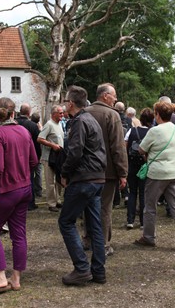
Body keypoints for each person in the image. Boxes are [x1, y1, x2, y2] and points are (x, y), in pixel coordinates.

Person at [0, 98, 37, 295]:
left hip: (6, 189)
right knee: (19, 233)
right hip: (24, 188)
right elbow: (34, 160)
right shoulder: (24, 131)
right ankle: (16, 277)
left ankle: (0, 277)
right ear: (14, 113)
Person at [58, 85, 107, 286]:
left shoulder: (79, 122)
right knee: (95, 226)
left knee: (66, 222)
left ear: (70, 103)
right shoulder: (90, 119)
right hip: (96, 179)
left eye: (65, 101)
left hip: (84, 179)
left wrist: (64, 172)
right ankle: (98, 271)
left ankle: (81, 268)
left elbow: (76, 151)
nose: (63, 105)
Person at [134, 101, 175, 251]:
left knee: (150, 205)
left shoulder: (155, 131)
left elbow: (141, 149)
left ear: (157, 114)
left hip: (158, 173)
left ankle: (148, 237)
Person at [85, 83, 128, 256]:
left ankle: (88, 238)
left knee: (88, 206)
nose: (115, 99)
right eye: (113, 95)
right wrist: (122, 172)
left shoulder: (84, 113)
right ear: (104, 96)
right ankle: (102, 244)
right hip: (106, 171)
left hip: (86, 171)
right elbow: (118, 147)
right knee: (104, 208)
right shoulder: (112, 115)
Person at [124, 108, 154, 229]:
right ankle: (142, 221)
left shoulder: (131, 131)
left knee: (132, 192)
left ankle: (130, 220)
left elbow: (125, 146)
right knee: (143, 193)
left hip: (132, 165)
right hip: (145, 166)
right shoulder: (152, 132)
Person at [37, 105, 65, 212]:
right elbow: (39, 138)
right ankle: (51, 203)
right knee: (50, 181)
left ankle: (57, 200)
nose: (62, 115)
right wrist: (52, 145)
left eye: (62, 113)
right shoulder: (49, 124)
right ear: (54, 114)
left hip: (58, 158)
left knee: (59, 180)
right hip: (49, 157)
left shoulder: (59, 124)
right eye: (60, 113)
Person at [17, 103, 41, 211]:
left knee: (17, 180)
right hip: (29, 157)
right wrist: (37, 157)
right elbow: (37, 144)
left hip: (16, 157)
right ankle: (30, 203)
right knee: (29, 180)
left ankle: (19, 202)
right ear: (28, 113)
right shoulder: (32, 126)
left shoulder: (15, 123)